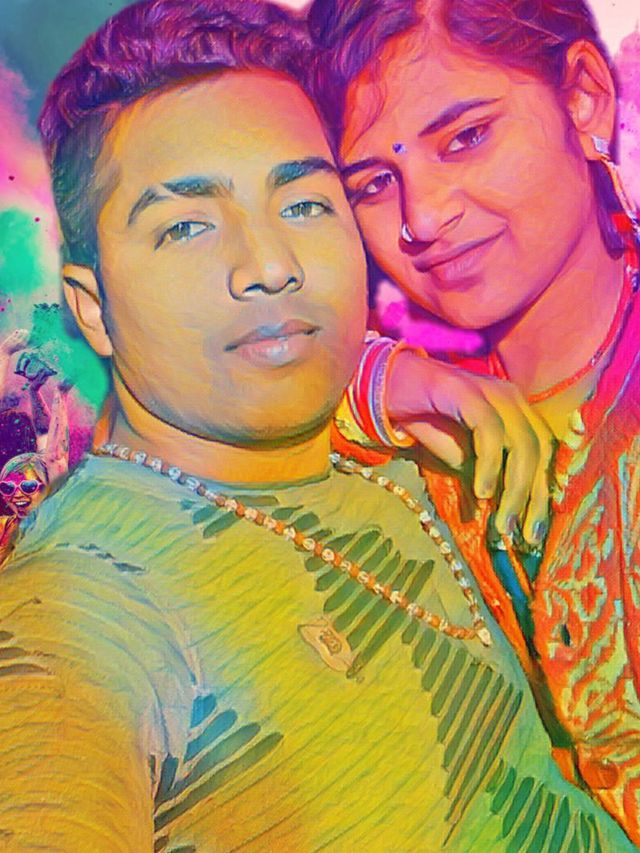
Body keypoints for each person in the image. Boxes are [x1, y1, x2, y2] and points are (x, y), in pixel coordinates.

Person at [0, 1, 633, 850]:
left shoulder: (398, 440)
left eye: (303, 204)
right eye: (185, 226)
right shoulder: (93, 600)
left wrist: (385, 378)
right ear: (90, 307)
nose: (269, 265)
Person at [307, 0, 640, 840]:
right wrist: (391, 381)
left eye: (466, 137)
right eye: (373, 184)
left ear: (585, 97)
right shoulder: (417, 425)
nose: (421, 218)